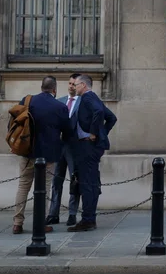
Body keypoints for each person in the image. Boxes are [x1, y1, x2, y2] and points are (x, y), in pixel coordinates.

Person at [12, 76, 71, 235]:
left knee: (23, 186)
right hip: (48, 155)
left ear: (41, 87)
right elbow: (67, 131)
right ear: (55, 89)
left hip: (27, 151)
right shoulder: (60, 107)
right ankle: (40, 223)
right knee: (44, 189)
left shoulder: (27, 100)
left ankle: (17, 223)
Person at [67, 74, 117, 232]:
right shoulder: (93, 98)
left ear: (83, 85)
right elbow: (111, 118)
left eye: (76, 85)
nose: (74, 88)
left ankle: (88, 220)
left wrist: (95, 133)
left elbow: (100, 113)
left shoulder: (88, 98)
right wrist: (102, 133)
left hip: (88, 146)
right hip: (90, 146)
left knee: (87, 182)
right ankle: (89, 218)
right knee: (91, 181)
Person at [45, 73, 82, 227]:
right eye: (69, 84)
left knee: (74, 180)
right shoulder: (59, 101)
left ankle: (72, 213)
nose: (71, 87)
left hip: (74, 147)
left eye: (74, 84)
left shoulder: (83, 102)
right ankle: (53, 213)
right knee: (56, 180)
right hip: (59, 146)